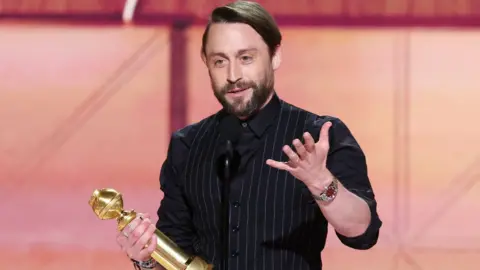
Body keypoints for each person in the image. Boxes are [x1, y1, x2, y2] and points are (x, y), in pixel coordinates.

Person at [116, 1, 382, 269]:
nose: (233, 75)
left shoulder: (319, 135)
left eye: (246, 58)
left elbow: (362, 232)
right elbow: (178, 252)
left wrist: (321, 183)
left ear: (275, 55)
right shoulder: (187, 145)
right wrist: (147, 258)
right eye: (220, 61)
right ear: (206, 63)